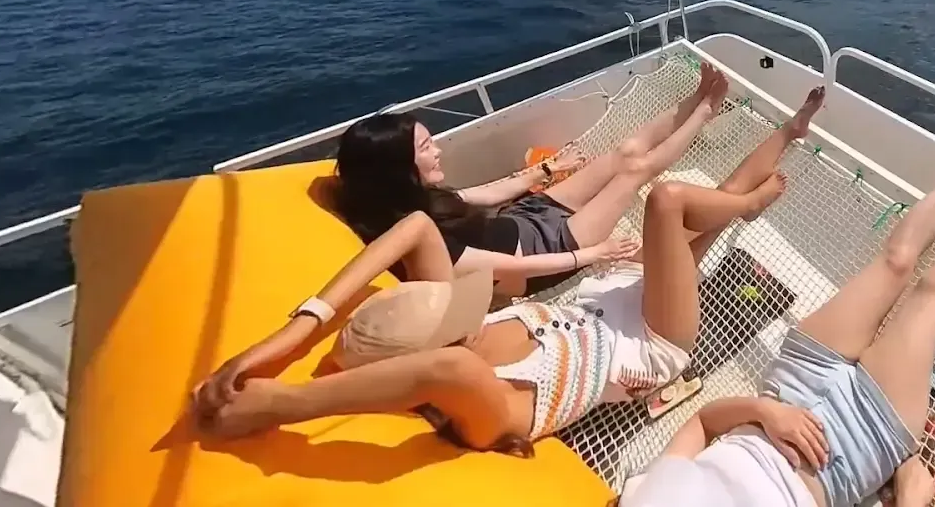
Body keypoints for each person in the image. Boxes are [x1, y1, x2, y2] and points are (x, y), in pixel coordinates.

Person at [190, 86, 831, 454]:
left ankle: (790, 134)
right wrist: (284, 402)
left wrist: (292, 335)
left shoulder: (456, 326)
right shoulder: (481, 403)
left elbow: (410, 230)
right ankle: (749, 200)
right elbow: (442, 368)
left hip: (607, 300)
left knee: (695, 218)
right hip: (652, 342)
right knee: (673, 203)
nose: (452, 305)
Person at [620, 135, 935, 507]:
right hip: (858, 446)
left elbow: (702, 425)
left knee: (895, 261)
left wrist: (765, 413)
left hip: (789, 388)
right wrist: (906, 477)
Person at [335, 64, 797, 300]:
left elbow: (487, 194)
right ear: (398, 168)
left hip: (527, 219)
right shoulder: (419, 240)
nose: (437, 151)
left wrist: (543, 173)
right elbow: (507, 269)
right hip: (550, 250)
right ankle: (705, 111)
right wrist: (590, 255)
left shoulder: (414, 199)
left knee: (622, 154)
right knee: (638, 171)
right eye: (425, 148)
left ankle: (695, 96)